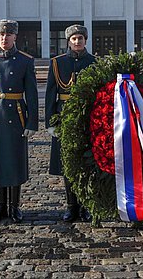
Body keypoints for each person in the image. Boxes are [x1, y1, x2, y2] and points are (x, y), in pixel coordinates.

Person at [0, 19, 39, 224]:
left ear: (15, 36)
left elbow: (32, 95)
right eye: (1, 34)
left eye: (8, 34)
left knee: (15, 161)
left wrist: (31, 123)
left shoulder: (24, 61)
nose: (4, 38)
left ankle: (15, 206)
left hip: (15, 115)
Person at [45, 24, 96, 222]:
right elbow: (51, 94)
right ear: (68, 41)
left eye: (80, 38)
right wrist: (51, 122)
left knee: (86, 164)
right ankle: (71, 206)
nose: (77, 42)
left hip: (87, 118)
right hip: (64, 117)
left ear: (85, 40)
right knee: (68, 165)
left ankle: (86, 206)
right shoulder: (57, 63)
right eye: (74, 39)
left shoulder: (93, 62)